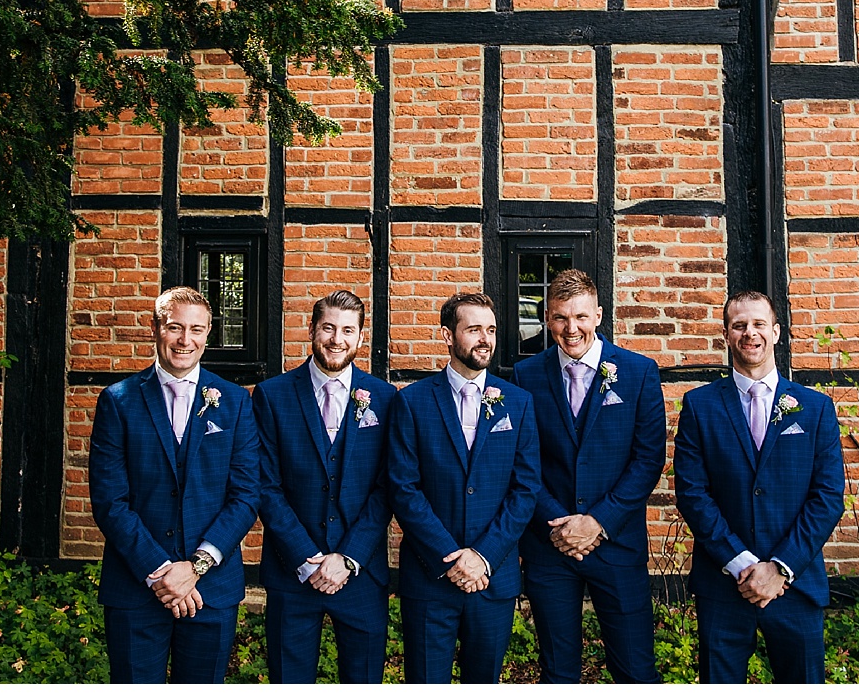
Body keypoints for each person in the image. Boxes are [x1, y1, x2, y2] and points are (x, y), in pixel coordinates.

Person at [87, 287, 261, 684]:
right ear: (155, 328)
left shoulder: (234, 401)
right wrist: (161, 571)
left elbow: (246, 495)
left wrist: (196, 567)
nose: (186, 340)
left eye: (197, 330)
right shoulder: (118, 401)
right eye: (175, 328)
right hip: (136, 587)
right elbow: (110, 501)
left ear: (209, 333)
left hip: (211, 590)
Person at [673, 291, 844, 683]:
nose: (750, 333)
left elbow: (828, 497)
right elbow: (693, 493)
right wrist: (742, 564)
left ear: (776, 332)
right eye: (739, 325)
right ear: (726, 335)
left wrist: (780, 568)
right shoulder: (699, 406)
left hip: (794, 586)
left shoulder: (815, 409)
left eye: (758, 324)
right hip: (723, 584)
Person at [510, 269, 663, 684]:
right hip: (550, 545)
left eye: (580, 317)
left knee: (635, 669)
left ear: (598, 314)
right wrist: (559, 525)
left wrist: (597, 522)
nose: (570, 328)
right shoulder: (525, 377)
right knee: (558, 671)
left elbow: (648, 459)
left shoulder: (638, 372)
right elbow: (523, 464)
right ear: (548, 320)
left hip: (616, 544)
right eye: (560, 318)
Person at [386, 292, 541, 684]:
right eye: (473, 329)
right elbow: (404, 488)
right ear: (447, 335)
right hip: (430, 577)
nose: (485, 339)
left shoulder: (518, 403)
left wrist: (483, 557)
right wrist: (450, 557)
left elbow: (525, 489)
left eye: (490, 329)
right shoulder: (413, 402)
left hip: (493, 577)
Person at [249, 289, 395, 683]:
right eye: (328, 327)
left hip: (361, 572)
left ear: (361, 337)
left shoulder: (384, 397)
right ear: (311, 329)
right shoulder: (272, 395)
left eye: (348, 330)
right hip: (291, 573)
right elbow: (265, 484)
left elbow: (387, 487)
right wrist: (307, 557)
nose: (337, 339)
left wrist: (347, 557)